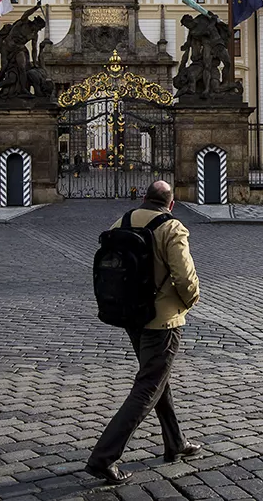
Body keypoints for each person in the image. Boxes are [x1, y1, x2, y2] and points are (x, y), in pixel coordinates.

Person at [86, 181, 202, 484]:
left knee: (156, 378)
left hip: (131, 315)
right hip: (162, 321)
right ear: (171, 204)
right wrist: (189, 302)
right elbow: (184, 277)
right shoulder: (171, 228)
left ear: (144, 198)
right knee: (149, 386)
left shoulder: (122, 221)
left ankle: (175, 442)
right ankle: (104, 457)